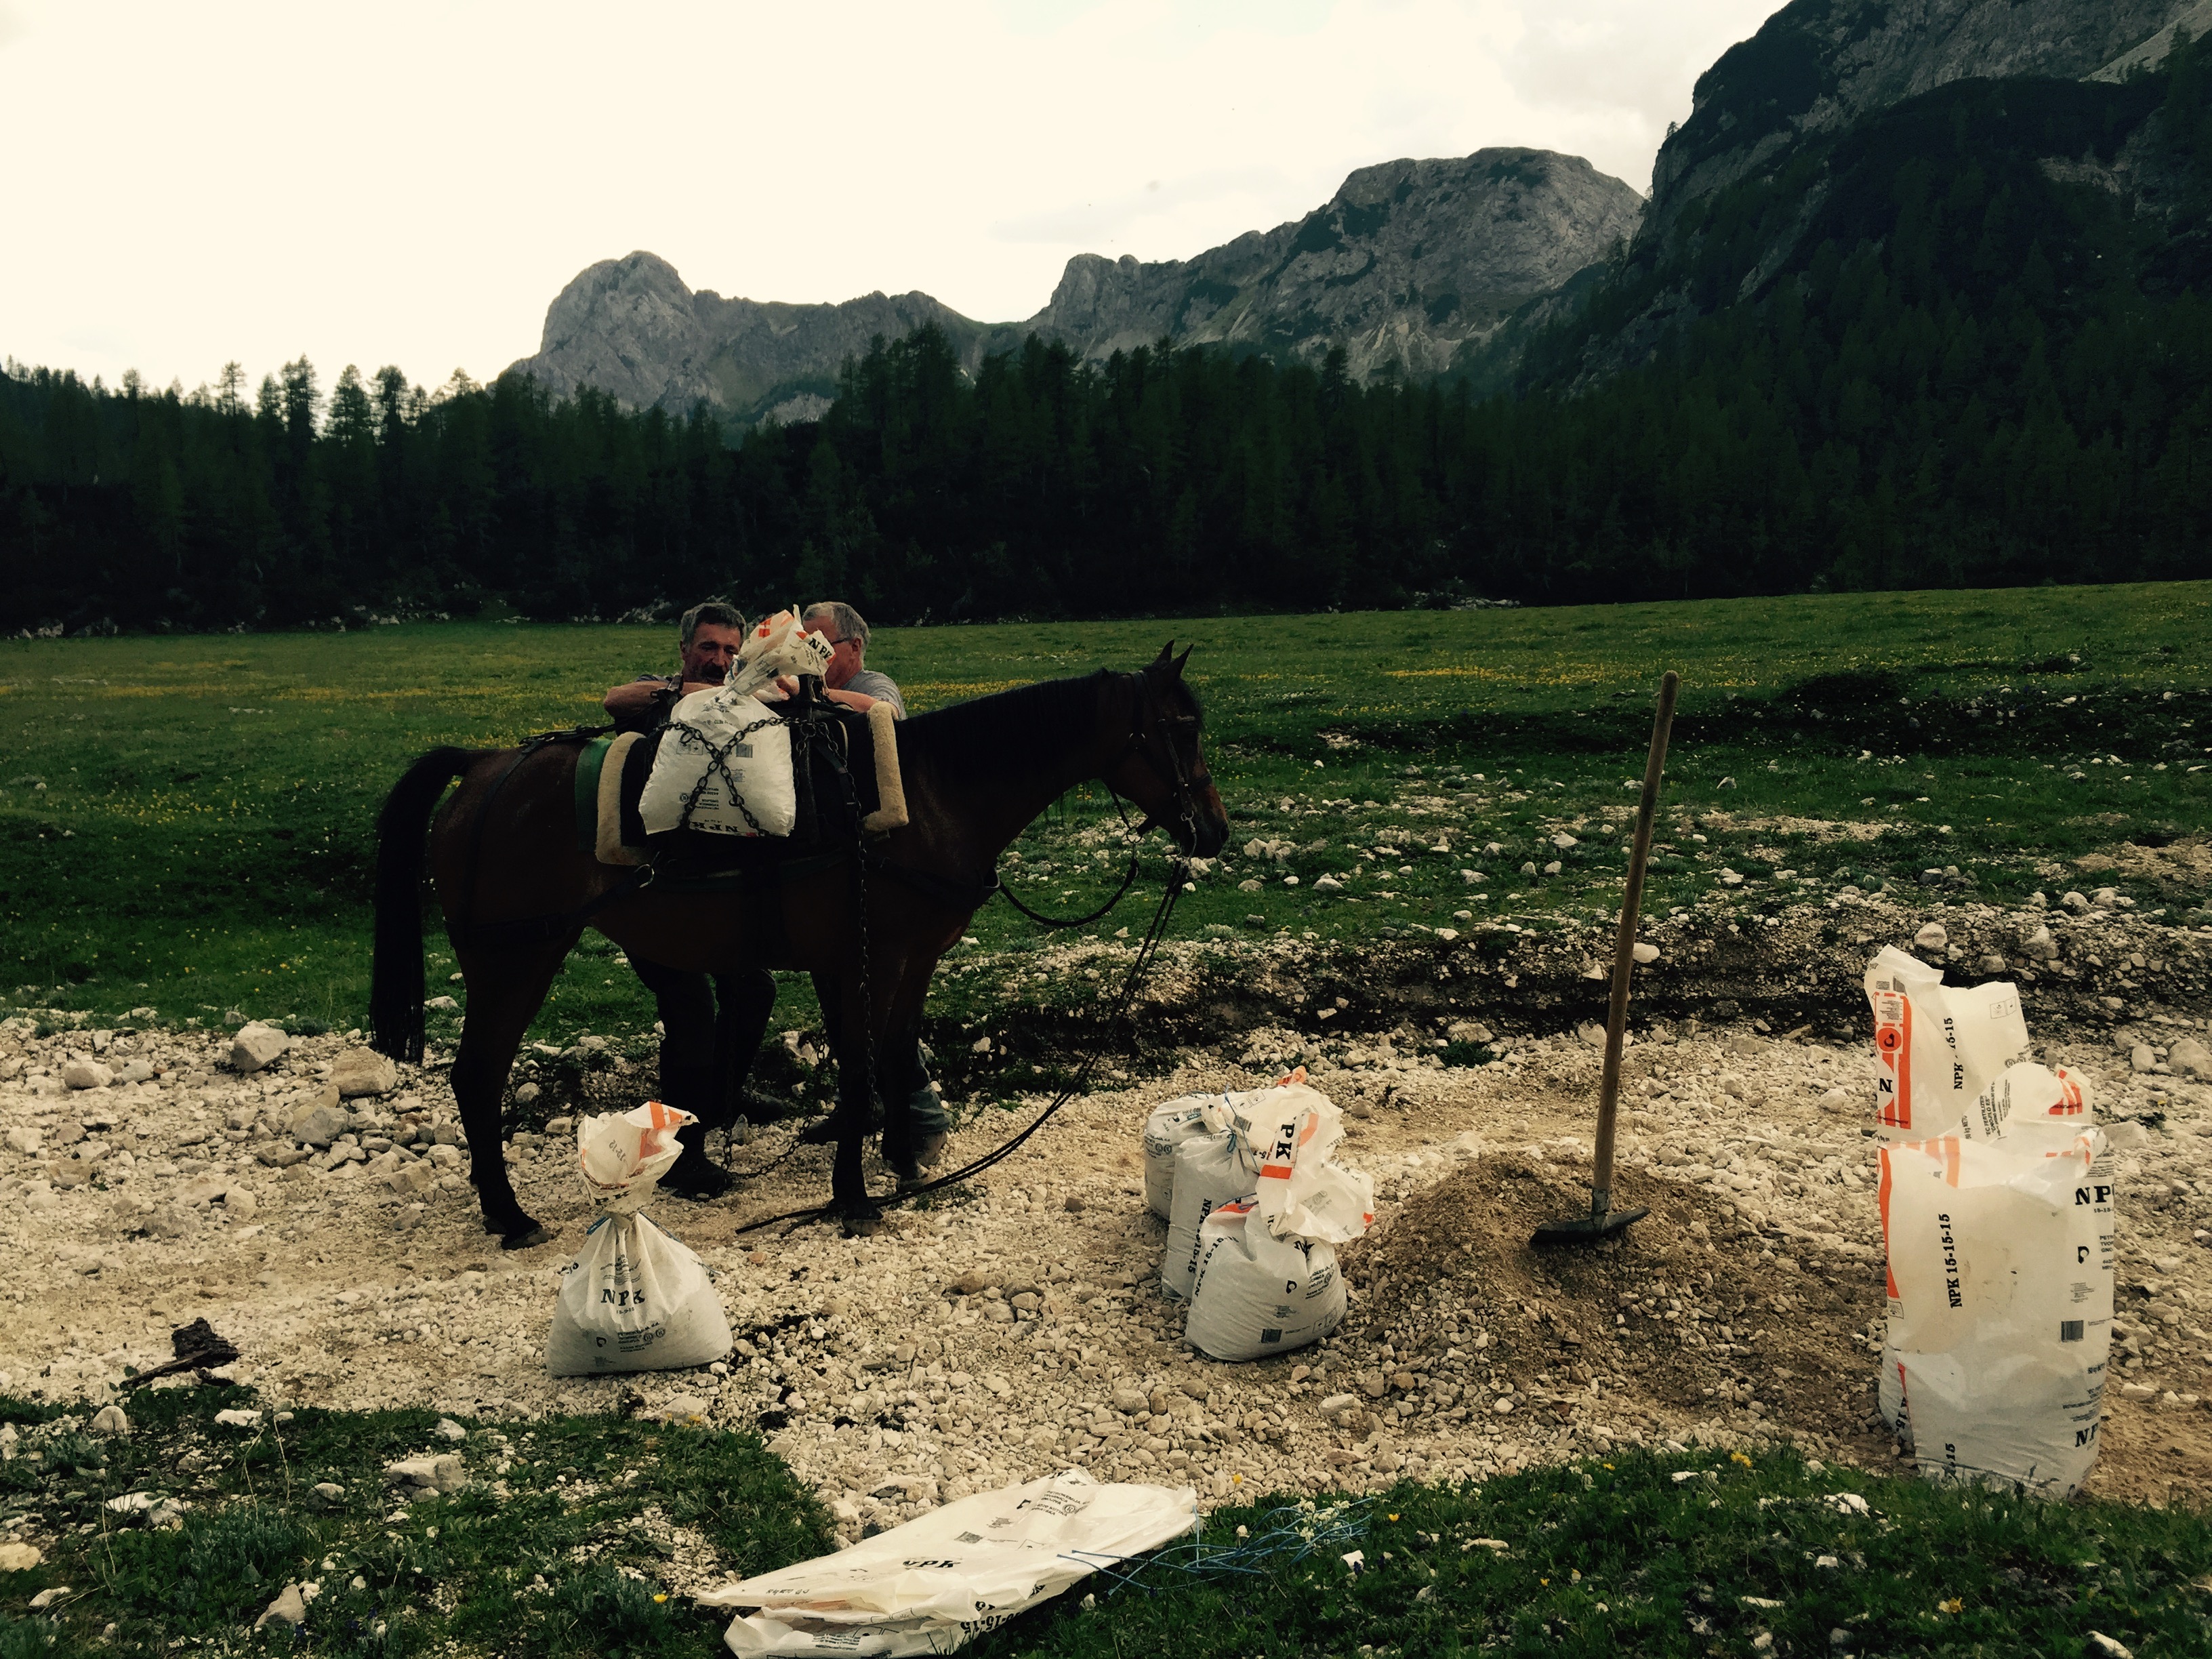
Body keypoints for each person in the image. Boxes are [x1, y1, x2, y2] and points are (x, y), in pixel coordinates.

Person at [600, 599, 775, 1199]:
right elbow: (613, 700)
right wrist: (682, 694)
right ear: (685, 650)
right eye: (709, 647)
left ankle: (719, 1099)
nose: (720, 660)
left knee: (753, 988)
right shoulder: (664, 693)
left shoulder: (742, 702)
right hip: (649, 894)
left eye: (730, 650)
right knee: (690, 1006)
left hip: (710, 895)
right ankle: (680, 1155)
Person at [801, 601, 906, 718]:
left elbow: (884, 713)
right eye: (804, 646)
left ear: (855, 647)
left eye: (819, 646)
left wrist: (807, 692)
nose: (809, 653)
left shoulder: (874, 684)